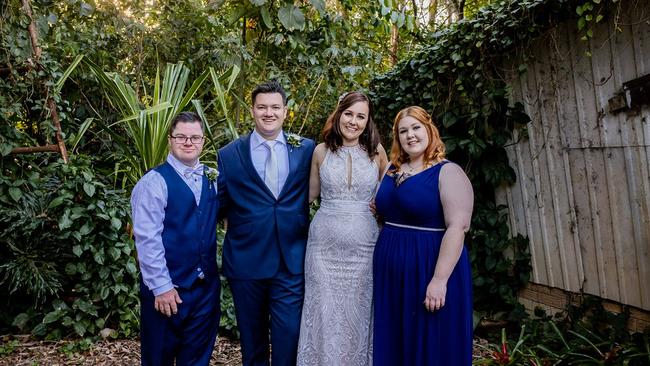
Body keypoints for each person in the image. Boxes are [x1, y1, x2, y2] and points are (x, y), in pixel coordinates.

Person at [217, 80, 315, 366]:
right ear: (252, 110)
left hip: (291, 260)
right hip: (246, 260)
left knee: (289, 336)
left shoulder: (306, 149)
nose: (268, 113)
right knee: (252, 341)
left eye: (275, 107)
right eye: (262, 107)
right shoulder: (229, 154)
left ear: (286, 111)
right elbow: (219, 204)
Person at [373, 106, 474, 365]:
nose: (410, 135)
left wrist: (439, 280)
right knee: (396, 339)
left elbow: (458, 227)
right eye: (403, 131)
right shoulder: (392, 169)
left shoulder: (448, 172)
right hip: (391, 272)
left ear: (429, 129)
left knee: (431, 340)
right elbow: (386, 209)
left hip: (428, 265)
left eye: (416, 127)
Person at [297, 92, 388, 366]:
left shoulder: (378, 152)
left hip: (365, 247)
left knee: (360, 312)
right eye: (349, 114)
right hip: (323, 249)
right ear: (338, 115)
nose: (354, 121)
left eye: (361, 116)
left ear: (368, 120)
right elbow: (308, 196)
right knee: (323, 312)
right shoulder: (320, 151)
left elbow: (389, 196)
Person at [131, 111, 221, 366]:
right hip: (168, 290)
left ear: (203, 141)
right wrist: (161, 287)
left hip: (205, 291)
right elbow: (147, 239)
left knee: (196, 360)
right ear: (170, 139)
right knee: (158, 359)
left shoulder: (212, 178)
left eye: (195, 137)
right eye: (181, 136)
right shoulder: (154, 182)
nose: (188, 142)